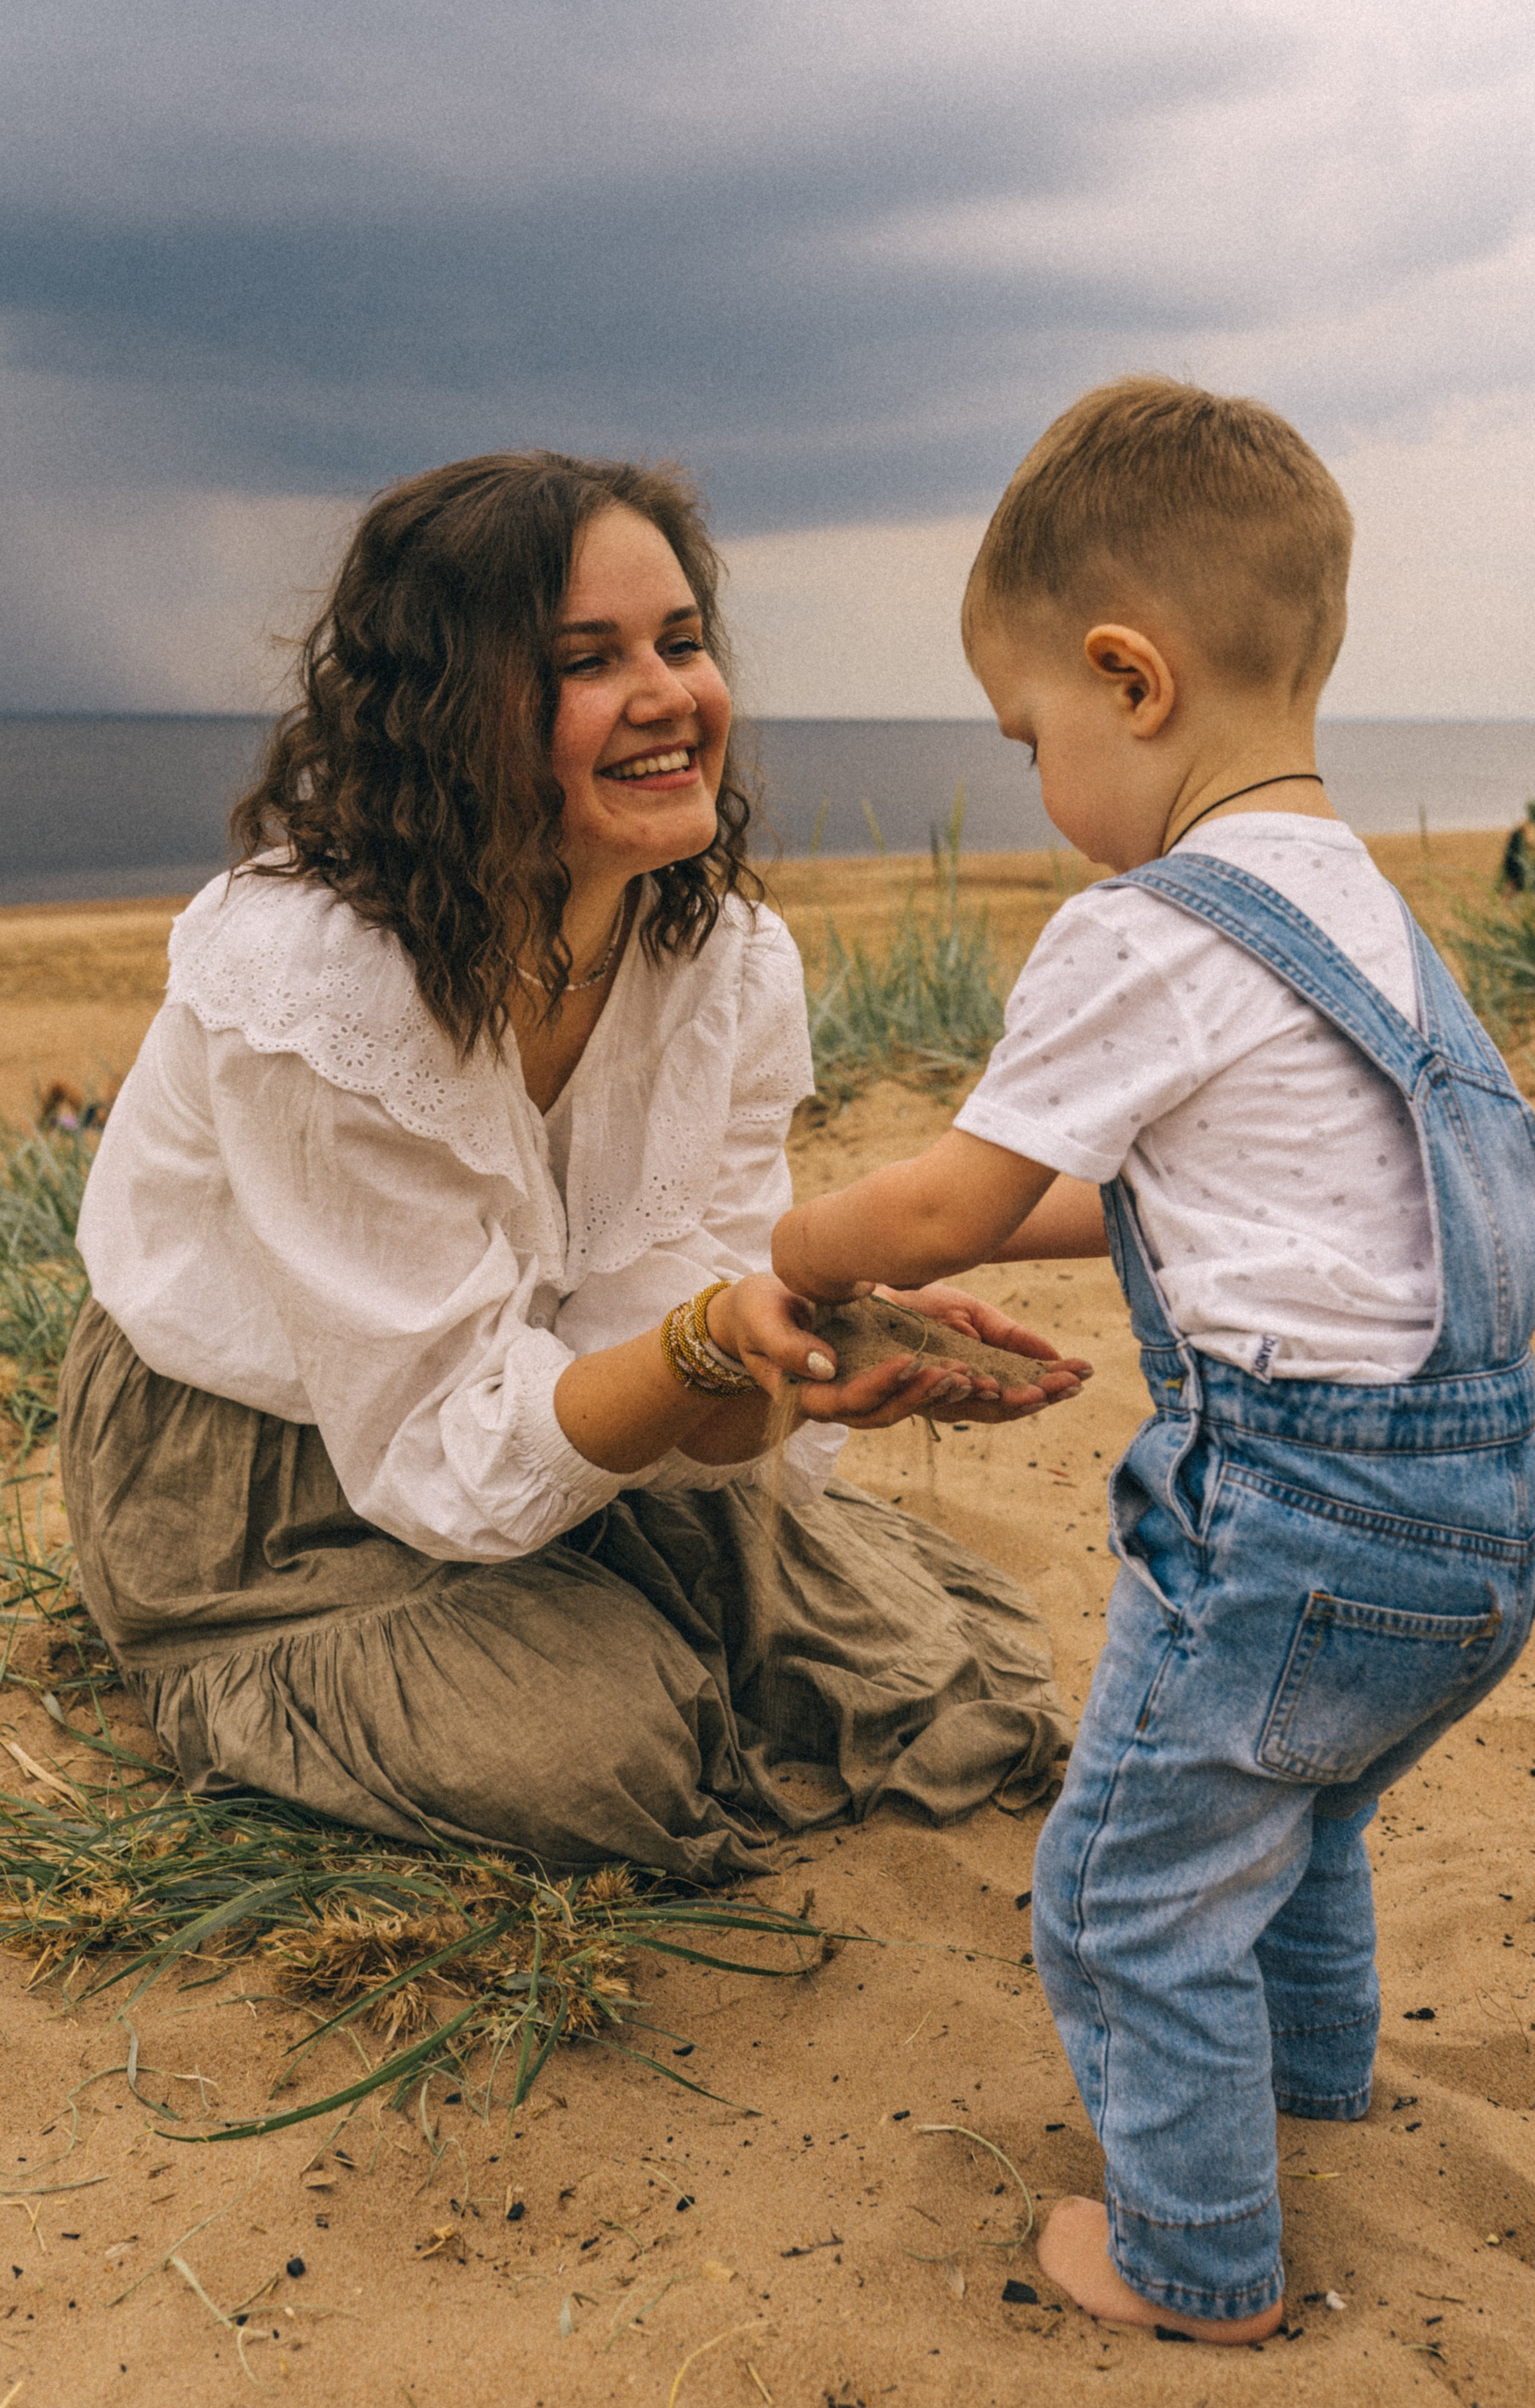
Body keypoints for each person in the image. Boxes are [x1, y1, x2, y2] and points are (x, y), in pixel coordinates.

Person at [772, 379, 1535, 2341]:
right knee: (1303, 1818)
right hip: (1475, 1525)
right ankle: (1315, 2087)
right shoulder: (1371, 920)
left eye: (1027, 733)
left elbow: (955, 1203)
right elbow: (1171, 1191)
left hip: (1291, 1526)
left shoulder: (1144, 931)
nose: (1036, 777)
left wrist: (799, 1242)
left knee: (1129, 1887)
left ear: (1130, 681)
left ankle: (1195, 2260)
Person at [60, 452, 1086, 1882]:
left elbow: (680, 1349)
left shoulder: (722, 964)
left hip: (534, 1399)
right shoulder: (315, 984)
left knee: (943, 1681)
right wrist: (705, 1343)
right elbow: (436, 1447)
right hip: (270, 1466)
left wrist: (793, 1358)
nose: (667, 695)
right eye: (584, 661)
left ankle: (601, 1611)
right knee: (605, 1759)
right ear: (446, 712)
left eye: (680, 643)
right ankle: (222, 1658)